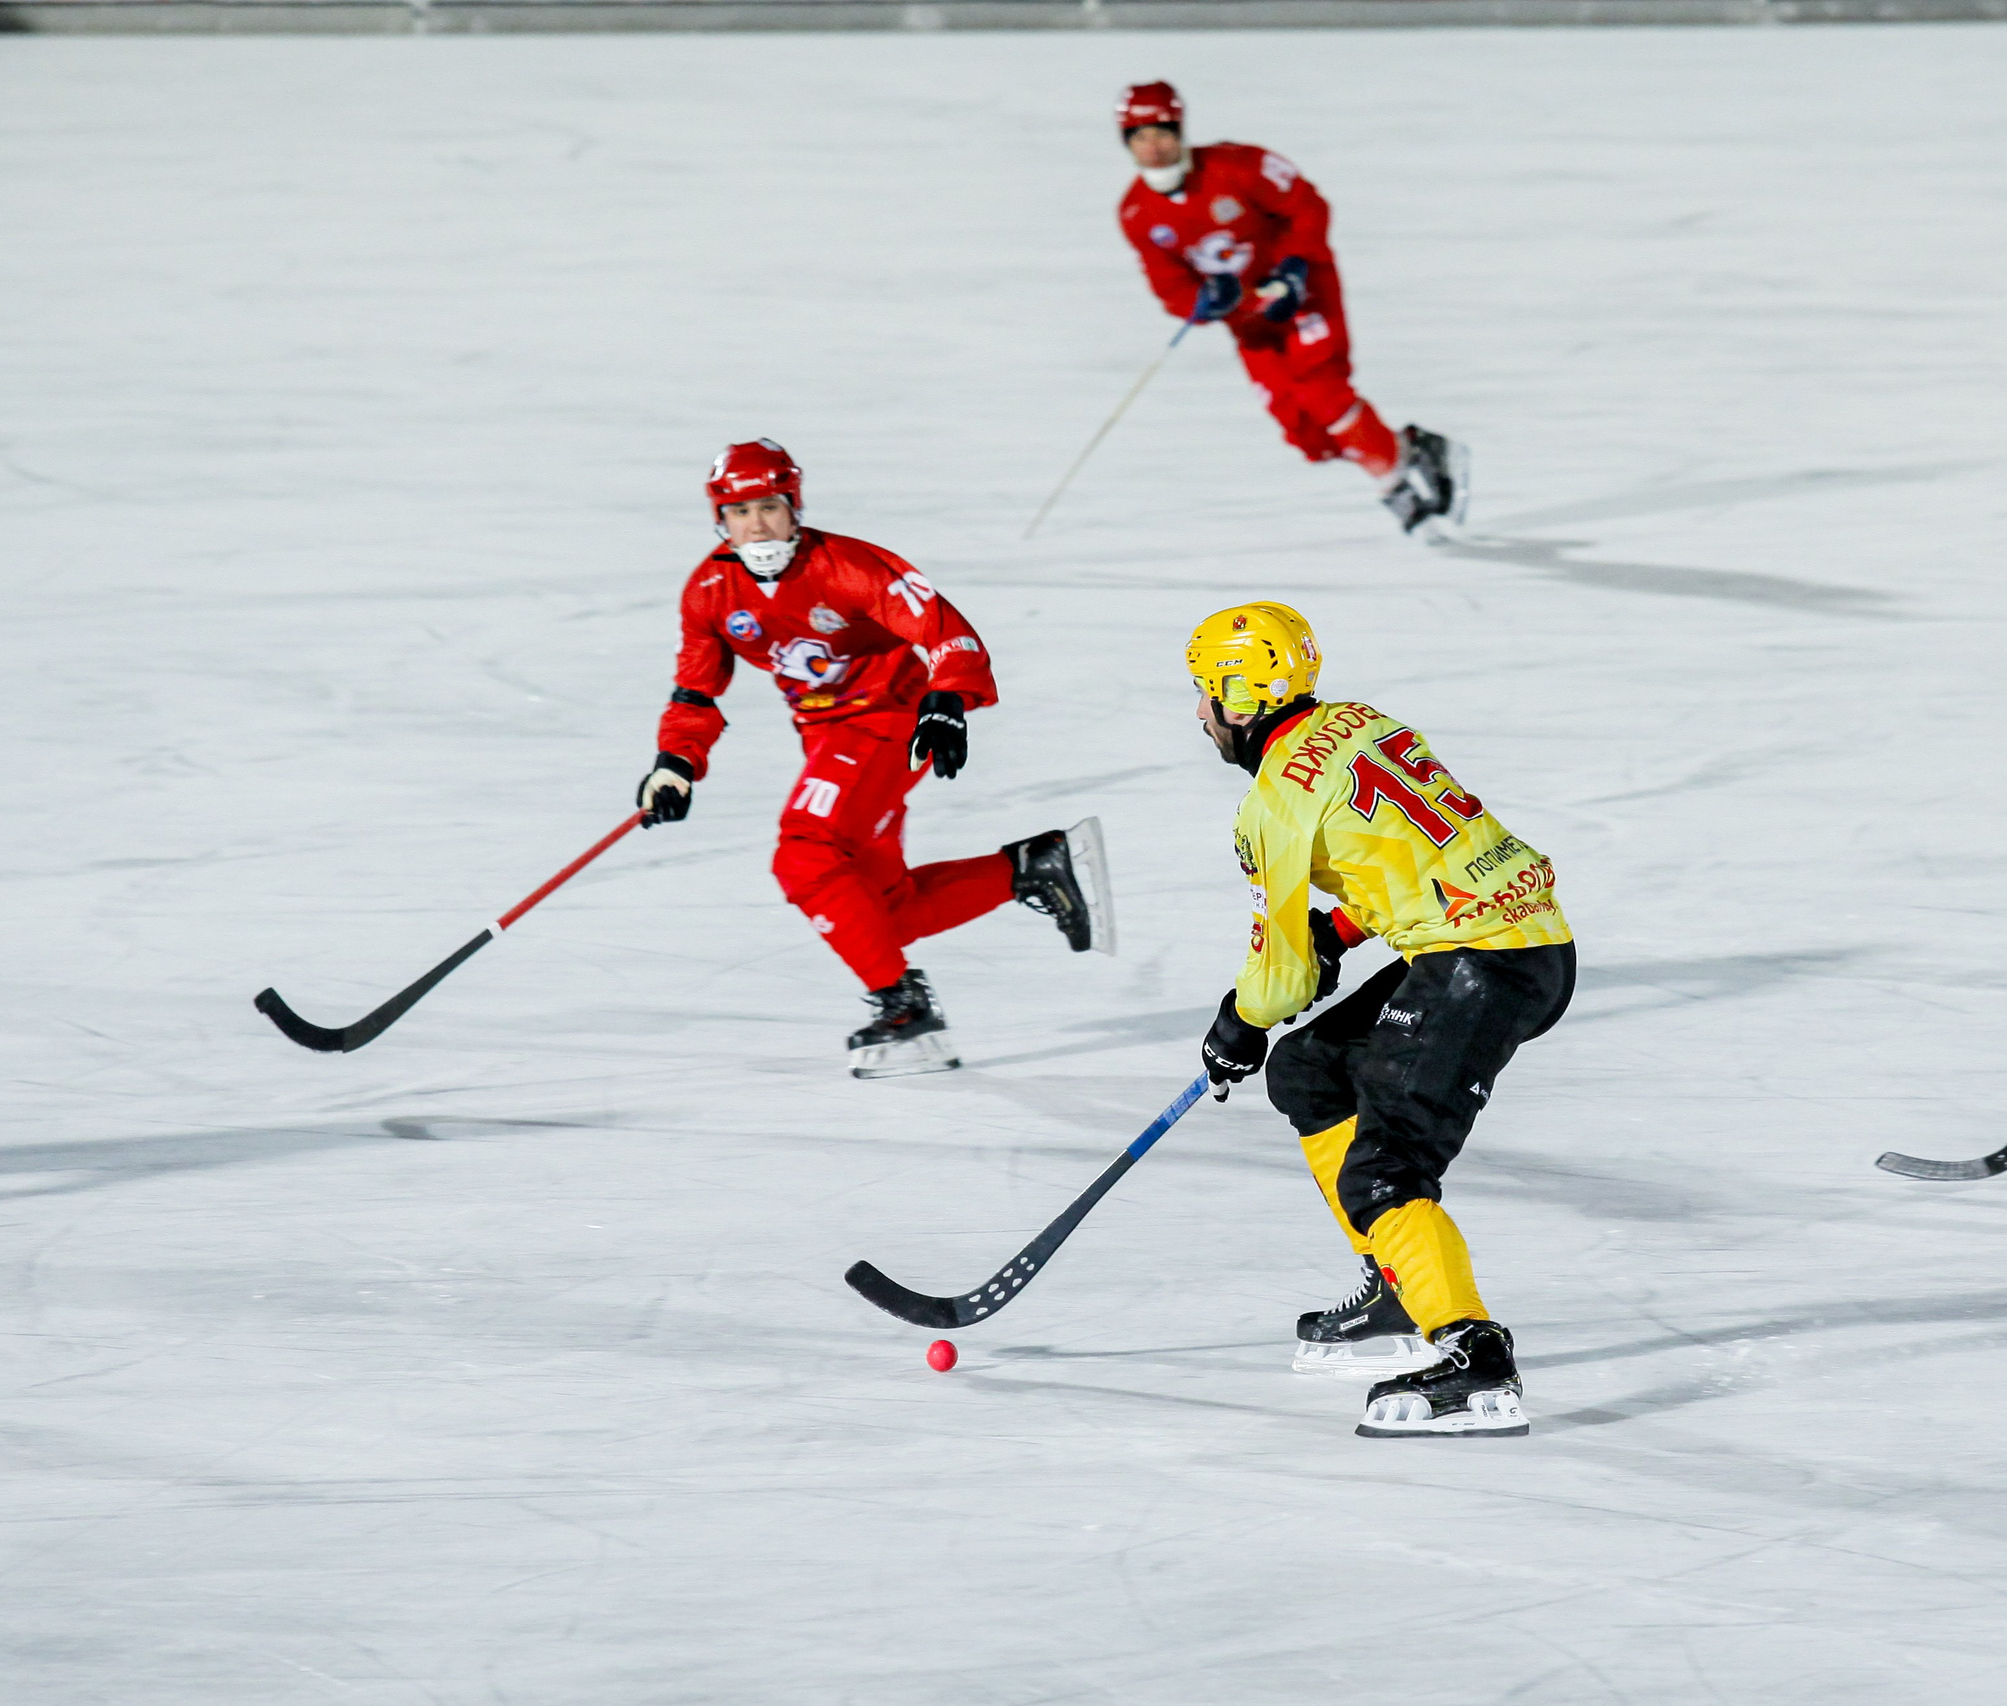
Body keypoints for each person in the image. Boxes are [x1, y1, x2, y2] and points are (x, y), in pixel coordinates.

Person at [1184, 602, 1573, 1437]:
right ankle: (1401, 1283)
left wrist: (1236, 1027)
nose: (1201, 716)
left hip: (1479, 964)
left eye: (1206, 695)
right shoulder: (1361, 723)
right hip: (1526, 939)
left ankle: (1474, 1357)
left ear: (1240, 701)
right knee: (1308, 1071)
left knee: (1385, 1171)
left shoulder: (1270, 807)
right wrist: (1338, 931)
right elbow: (1417, 856)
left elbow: (1279, 980)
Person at [637, 439, 1111, 1078]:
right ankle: (1033, 867)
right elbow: (696, 689)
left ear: (794, 506)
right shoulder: (711, 590)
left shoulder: (846, 567)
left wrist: (948, 696)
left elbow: (940, 628)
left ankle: (905, 1007)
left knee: (804, 854)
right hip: (824, 737)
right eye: (740, 512)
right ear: (720, 518)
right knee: (881, 912)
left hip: (891, 722)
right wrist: (675, 761)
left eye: (770, 507)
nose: (757, 525)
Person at [1115, 82, 1466, 537]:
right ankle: (1413, 449)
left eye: (1162, 132)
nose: (1153, 147)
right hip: (1250, 323)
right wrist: (1206, 304)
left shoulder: (1237, 165)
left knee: (1324, 391)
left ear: (1180, 131)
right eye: (1140, 136)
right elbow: (1170, 287)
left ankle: (1394, 487)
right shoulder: (1137, 213)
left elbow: (1306, 205)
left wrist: (1295, 265)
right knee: (1306, 434)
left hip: (1303, 294)